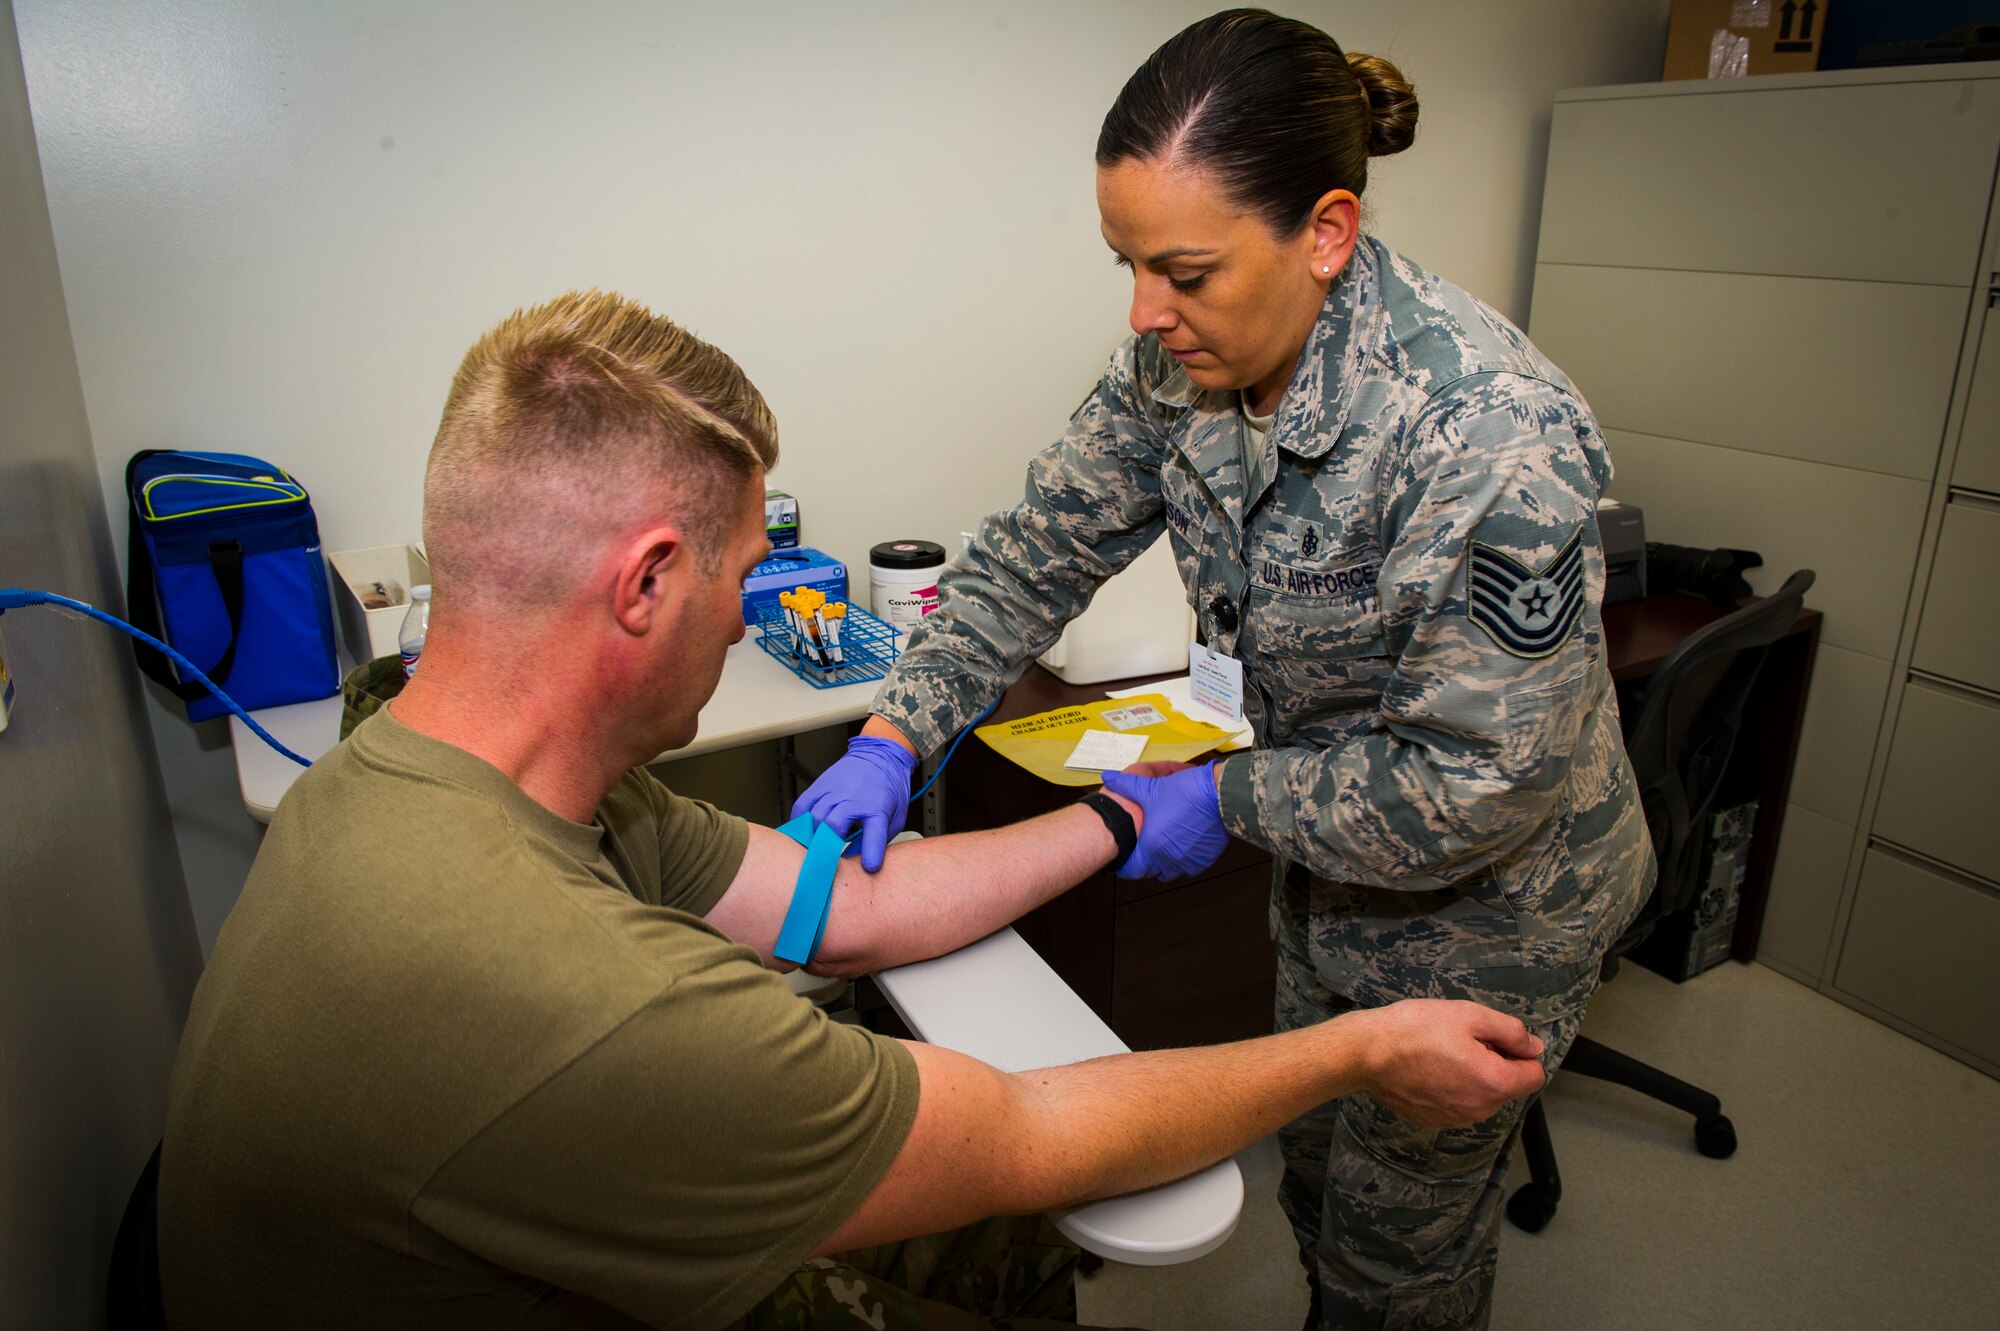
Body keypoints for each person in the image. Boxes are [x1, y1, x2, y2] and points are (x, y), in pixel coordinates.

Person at [158, 289, 1551, 1330]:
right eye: (744, 569)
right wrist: (1354, 1054)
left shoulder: (416, 768)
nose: (752, 606)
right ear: (646, 585)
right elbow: (1027, 1136)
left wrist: (1119, 822)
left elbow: (854, 910)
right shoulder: (588, 1003)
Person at [791, 10, 1656, 1329]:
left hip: (1486, 914)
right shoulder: (1184, 364)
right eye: (1126, 264)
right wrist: (896, 736)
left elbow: (1475, 786)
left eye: (1184, 271)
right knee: (1318, 1181)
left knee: (1393, 1264)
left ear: (1325, 234)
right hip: (1330, 858)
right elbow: (1033, 557)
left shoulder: (1484, 443)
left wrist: (1226, 800)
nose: (1147, 312)